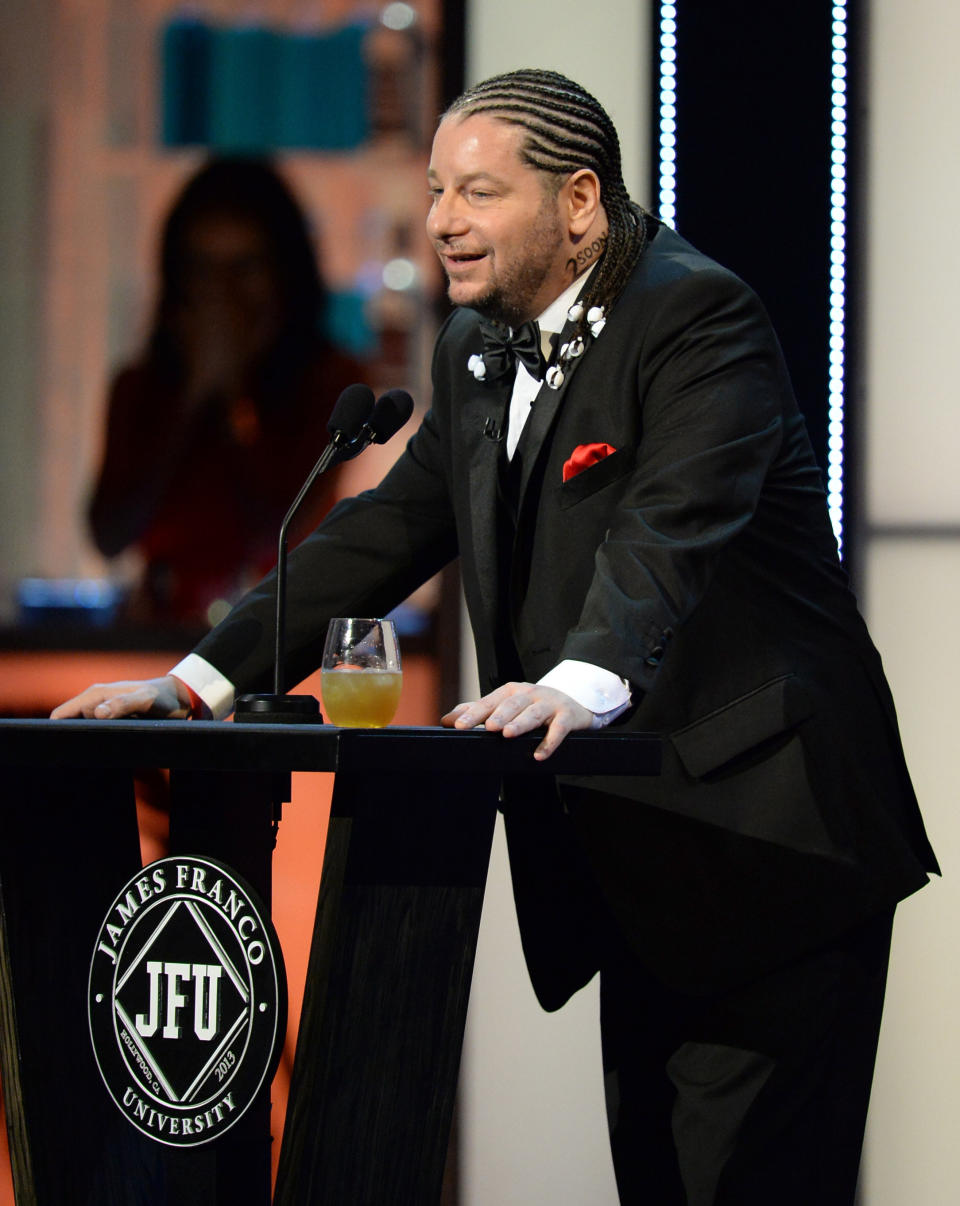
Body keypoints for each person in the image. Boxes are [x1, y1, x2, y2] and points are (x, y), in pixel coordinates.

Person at [55, 70, 937, 1204]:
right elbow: (383, 533)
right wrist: (196, 683)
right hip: (640, 860)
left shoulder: (695, 315)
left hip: (772, 847)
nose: (440, 221)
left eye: (477, 192)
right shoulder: (476, 349)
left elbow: (671, 525)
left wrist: (581, 677)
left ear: (578, 204)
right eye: (434, 190)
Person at [89, 157, 364, 626]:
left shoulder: (329, 384)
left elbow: (283, 535)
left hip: (277, 635)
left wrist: (234, 395)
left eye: (244, 267)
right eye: (204, 269)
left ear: (283, 273)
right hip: (159, 631)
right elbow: (109, 536)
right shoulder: (142, 387)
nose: (224, 294)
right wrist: (192, 399)